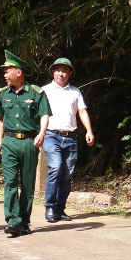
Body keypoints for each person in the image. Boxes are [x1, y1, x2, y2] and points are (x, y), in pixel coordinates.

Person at [0, 50, 51, 237]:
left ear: (18, 72)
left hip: (29, 142)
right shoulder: (4, 94)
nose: (5, 75)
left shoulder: (36, 93)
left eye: (7, 71)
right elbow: (0, 118)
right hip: (9, 141)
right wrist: (0, 140)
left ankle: (24, 221)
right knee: (10, 182)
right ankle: (12, 220)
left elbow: (44, 114)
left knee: (27, 183)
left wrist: (42, 133)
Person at [42, 57, 95, 223]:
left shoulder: (75, 92)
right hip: (51, 135)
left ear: (70, 73)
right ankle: (50, 206)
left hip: (70, 137)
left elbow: (82, 112)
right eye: (58, 70)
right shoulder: (44, 91)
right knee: (55, 167)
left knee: (67, 175)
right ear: (53, 72)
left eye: (64, 71)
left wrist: (89, 131)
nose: (61, 74)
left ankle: (60, 208)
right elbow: (36, 113)